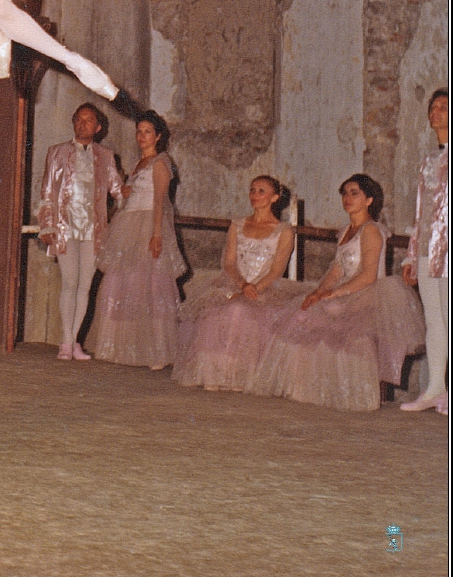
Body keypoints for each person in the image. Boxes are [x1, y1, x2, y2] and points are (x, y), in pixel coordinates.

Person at [250, 175, 425, 412]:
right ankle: (304, 387)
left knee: (328, 309)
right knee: (303, 309)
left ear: (369, 200)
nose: (347, 198)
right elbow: (336, 269)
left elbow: (368, 275)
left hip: (368, 293)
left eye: (355, 193)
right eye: (345, 193)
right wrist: (319, 291)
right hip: (344, 291)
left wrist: (333, 295)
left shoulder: (372, 230)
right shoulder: (345, 232)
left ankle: (348, 393)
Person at [172, 176, 296, 392]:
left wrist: (254, 288)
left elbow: (277, 270)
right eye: (252, 190)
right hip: (234, 283)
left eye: (262, 191)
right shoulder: (237, 224)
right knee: (214, 311)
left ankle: (238, 375)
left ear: (275, 197)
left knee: (239, 310)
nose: (255, 195)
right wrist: (241, 285)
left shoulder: (284, 231)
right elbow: (228, 262)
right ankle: (215, 373)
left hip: (265, 288)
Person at [85, 111, 185, 369]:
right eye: (139, 132)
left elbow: (160, 202)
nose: (142, 137)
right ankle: (119, 348)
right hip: (127, 224)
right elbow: (130, 197)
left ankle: (157, 353)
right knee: (118, 283)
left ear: (158, 136)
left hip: (148, 225)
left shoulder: (161, 162)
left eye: (147, 132)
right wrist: (124, 194)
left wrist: (156, 234)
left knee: (149, 285)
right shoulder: (138, 164)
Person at [36, 103, 123, 360]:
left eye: (89, 120)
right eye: (79, 119)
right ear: (73, 122)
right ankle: (65, 341)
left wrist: (131, 199)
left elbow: (117, 190)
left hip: (93, 230)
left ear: (97, 127)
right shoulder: (57, 153)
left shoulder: (106, 156)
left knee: (85, 285)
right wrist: (47, 225)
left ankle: (75, 344)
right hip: (65, 226)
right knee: (70, 282)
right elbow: (47, 191)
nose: (83, 124)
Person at [400, 88, 449, 414]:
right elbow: (420, 211)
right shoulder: (429, 160)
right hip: (430, 250)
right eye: (432, 107)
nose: (436, 112)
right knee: (435, 321)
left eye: (443, 107)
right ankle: (435, 389)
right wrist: (411, 254)